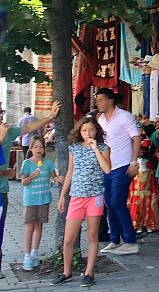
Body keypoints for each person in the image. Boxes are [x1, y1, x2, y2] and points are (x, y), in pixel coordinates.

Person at [0, 100, 60, 280]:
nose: (1, 115)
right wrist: (7, 172)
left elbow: (29, 127)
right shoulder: (4, 134)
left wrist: (50, 116)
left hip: (2, 192)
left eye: (1, 111)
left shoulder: (8, 131)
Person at [52, 115, 112, 287]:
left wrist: (95, 150)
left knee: (92, 235)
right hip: (77, 196)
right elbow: (70, 172)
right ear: (80, 132)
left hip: (95, 196)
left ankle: (89, 272)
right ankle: (66, 271)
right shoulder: (74, 148)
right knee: (69, 238)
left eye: (91, 130)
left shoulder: (103, 148)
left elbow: (107, 169)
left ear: (97, 131)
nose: (88, 133)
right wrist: (63, 195)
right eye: (85, 130)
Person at [95, 88, 141, 255]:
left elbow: (136, 138)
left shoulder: (124, 116)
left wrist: (134, 161)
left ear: (110, 100)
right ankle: (114, 239)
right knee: (108, 203)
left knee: (117, 201)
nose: (97, 103)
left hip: (122, 164)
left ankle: (130, 240)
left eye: (100, 99)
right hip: (107, 166)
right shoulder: (100, 119)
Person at [19, 135, 61, 271]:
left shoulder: (48, 162)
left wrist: (58, 179)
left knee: (39, 227)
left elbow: (54, 178)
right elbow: (23, 182)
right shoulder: (27, 163)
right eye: (36, 147)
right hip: (30, 200)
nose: (39, 149)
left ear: (44, 149)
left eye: (41, 147)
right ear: (30, 148)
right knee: (29, 227)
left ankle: (34, 253)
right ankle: (26, 257)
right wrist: (31, 176)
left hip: (44, 199)